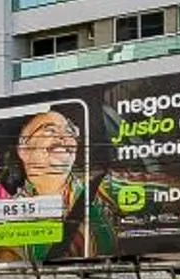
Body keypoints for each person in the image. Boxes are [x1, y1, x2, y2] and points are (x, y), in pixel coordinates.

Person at [7, 107, 117, 258]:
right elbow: (0, 260)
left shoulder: (102, 187)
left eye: (69, 132)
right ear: (24, 150)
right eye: (50, 130)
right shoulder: (6, 213)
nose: (63, 137)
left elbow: (157, 190)